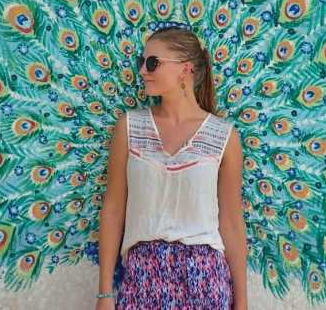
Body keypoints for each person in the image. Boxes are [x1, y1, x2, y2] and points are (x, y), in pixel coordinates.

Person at [95, 24, 248, 309]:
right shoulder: (129, 127)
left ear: (185, 69)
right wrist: (105, 293)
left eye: (152, 63)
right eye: (141, 62)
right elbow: (114, 210)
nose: (142, 70)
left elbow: (231, 222)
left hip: (206, 279)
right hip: (142, 278)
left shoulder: (224, 136)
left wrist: (242, 302)